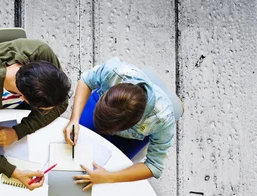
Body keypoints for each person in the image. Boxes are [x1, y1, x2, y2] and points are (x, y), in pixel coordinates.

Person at [0, 39, 71, 189]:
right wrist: (14, 172)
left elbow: (62, 104)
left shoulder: (43, 53)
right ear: (24, 98)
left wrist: (18, 132)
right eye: (45, 110)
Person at [63, 57, 176, 188]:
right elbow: (86, 81)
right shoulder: (115, 71)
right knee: (68, 145)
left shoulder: (162, 120)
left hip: (131, 138)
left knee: (104, 179)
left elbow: (154, 166)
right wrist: (74, 119)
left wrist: (109, 177)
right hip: (103, 110)